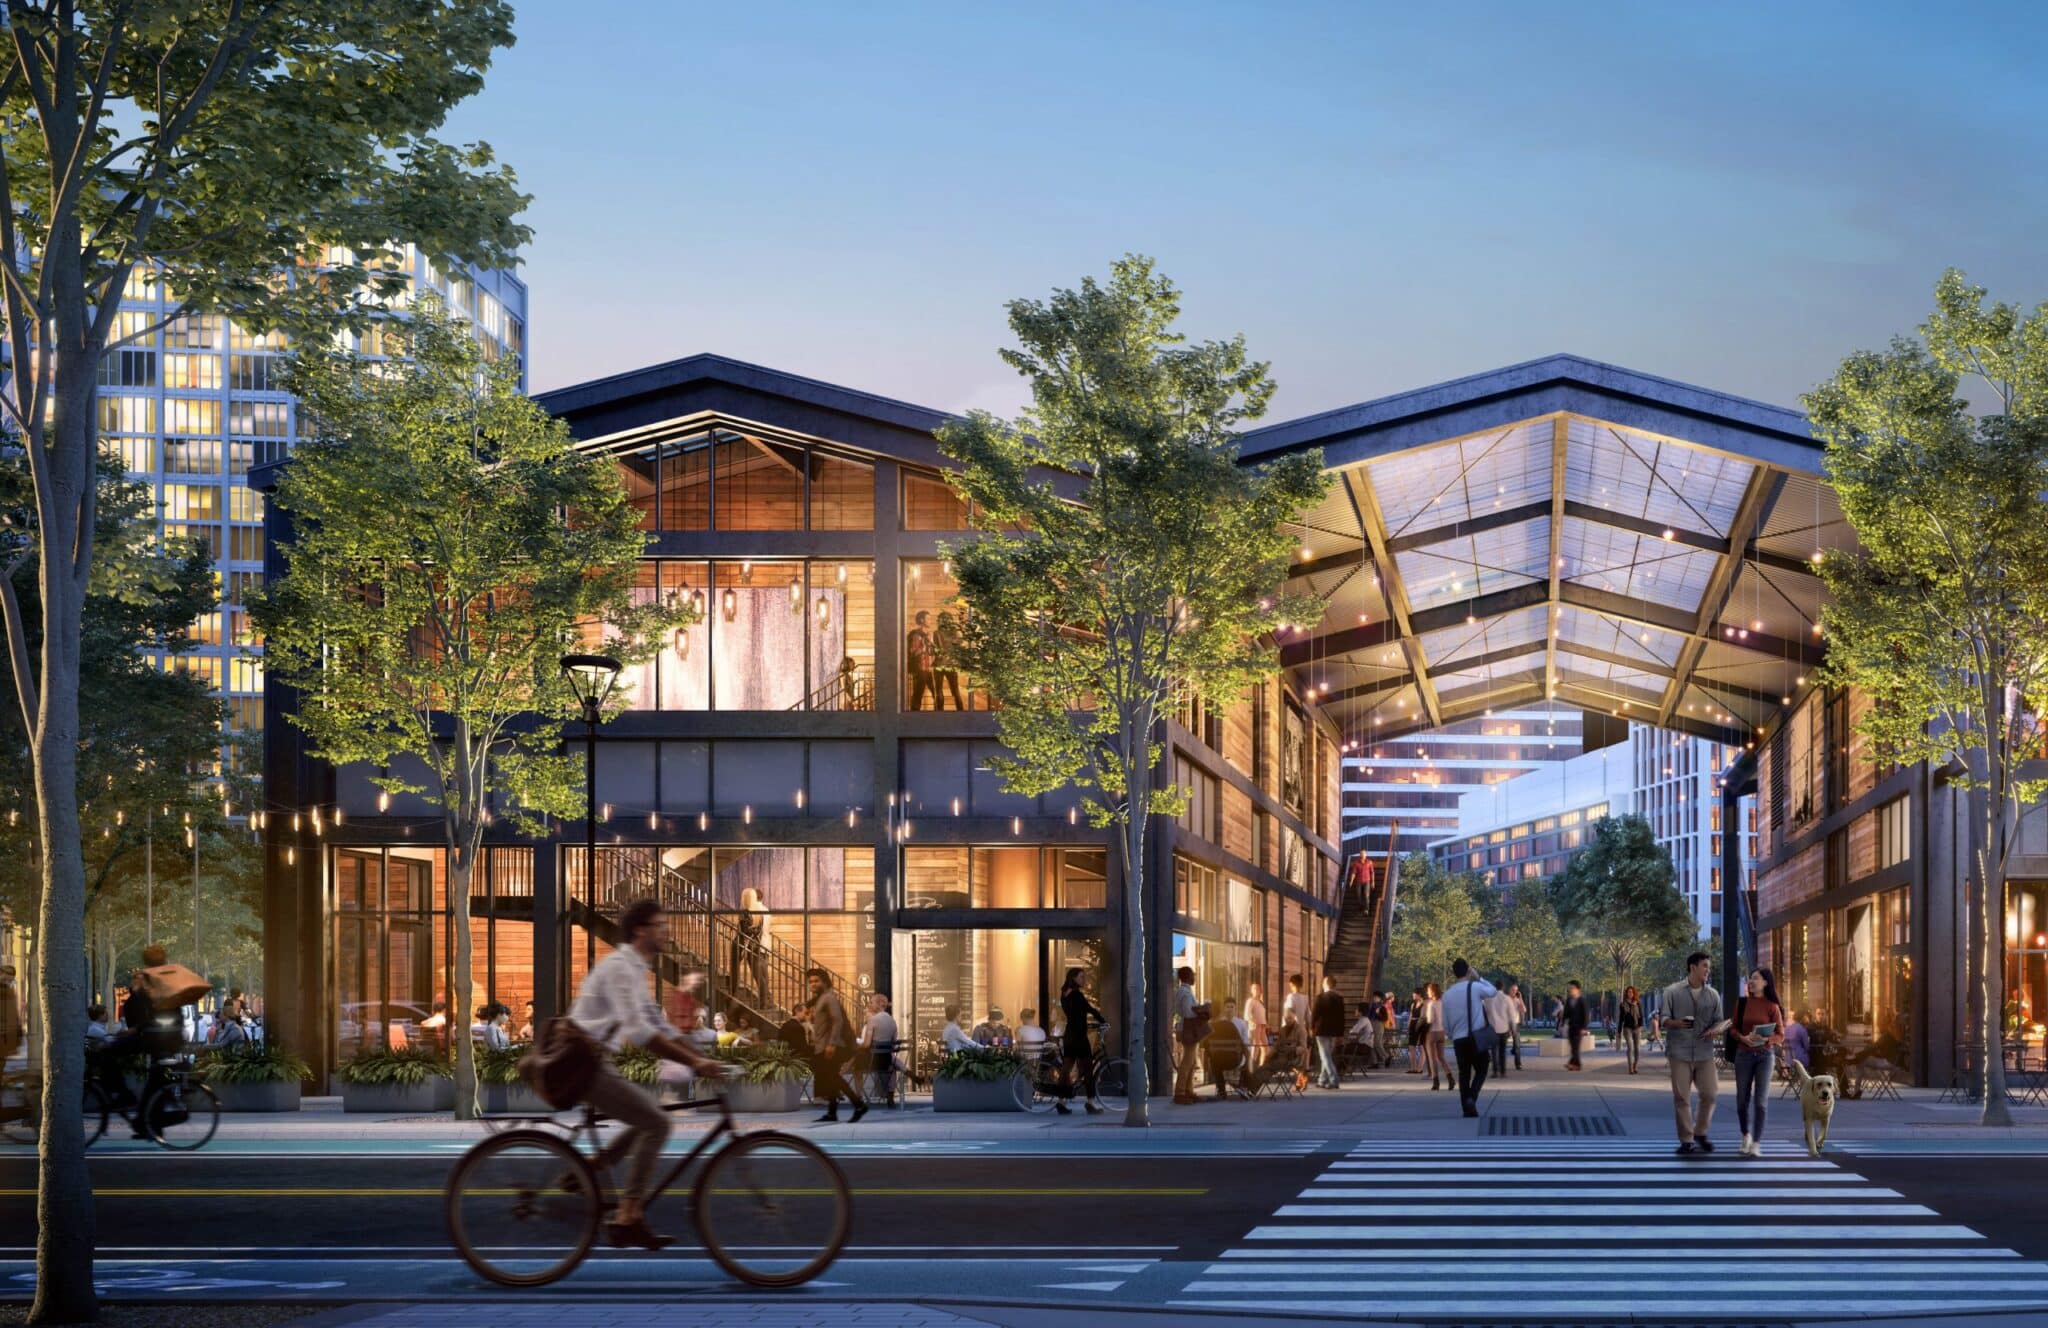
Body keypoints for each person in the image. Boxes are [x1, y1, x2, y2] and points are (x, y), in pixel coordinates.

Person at [568, 897, 723, 1247]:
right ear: (641, 930)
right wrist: (696, 1063)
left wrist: (699, 1056)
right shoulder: (622, 967)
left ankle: (588, 1170)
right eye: (661, 925)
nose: (667, 931)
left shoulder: (635, 968)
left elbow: (660, 1027)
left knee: (646, 1117)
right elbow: (641, 1033)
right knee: (657, 1122)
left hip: (594, 1058)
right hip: (582, 1062)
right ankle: (628, 1214)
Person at [95, 944, 182, 1137]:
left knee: (106, 1052)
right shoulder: (165, 977)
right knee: (155, 1078)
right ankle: (148, 1124)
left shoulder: (152, 979)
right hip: (164, 1036)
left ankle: (124, 1096)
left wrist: (136, 991)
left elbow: (146, 1010)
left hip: (153, 1036)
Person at [1651, 951, 1726, 1155]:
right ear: (1692, 967)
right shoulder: (1672, 991)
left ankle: (1700, 1132)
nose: (1707, 971)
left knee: (1710, 1094)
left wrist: (1717, 1029)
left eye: (1708, 967)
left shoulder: (1713, 994)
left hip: (1704, 1052)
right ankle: (1687, 1140)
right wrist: (1676, 1023)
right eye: (1704, 966)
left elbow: (1719, 1019)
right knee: (1682, 1098)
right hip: (1679, 1052)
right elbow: (1664, 1018)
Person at [1731, 968, 1787, 1158]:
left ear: (1765, 983)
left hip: (1765, 1056)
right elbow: (1733, 1029)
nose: (1751, 982)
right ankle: (1745, 1135)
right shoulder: (1742, 1003)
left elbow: (1780, 1034)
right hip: (1743, 1055)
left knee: (1760, 1102)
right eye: (1750, 979)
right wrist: (1743, 1038)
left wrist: (1766, 1040)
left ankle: (1756, 1143)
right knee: (1741, 1100)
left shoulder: (1772, 1006)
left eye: (1756, 978)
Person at [805, 967, 867, 1124]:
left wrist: (831, 1044)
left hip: (830, 1046)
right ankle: (832, 1112)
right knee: (830, 1078)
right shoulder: (821, 999)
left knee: (833, 1077)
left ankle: (858, 1105)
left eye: (816, 981)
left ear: (825, 982)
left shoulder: (829, 998)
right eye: (810, 981)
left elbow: (837, 1020)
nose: (813, 984)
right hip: (822, 1046)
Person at [1440, 958, 1499, 1118]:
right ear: (1468, 971)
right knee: (1482, 1068)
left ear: (1453, 973)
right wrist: (1478, 977)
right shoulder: (1474, 987)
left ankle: (1467, 1108)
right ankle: (1472, 1098)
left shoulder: (1447, 995)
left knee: (1464, 1074)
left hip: (1459, 1039)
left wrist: (1452, 1035)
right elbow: (1493, 991)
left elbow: (1445, 1021)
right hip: (1476, 1037)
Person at [1058, 967, 1107, 1115]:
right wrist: (1103, 1021)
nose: (1083, 980)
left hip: (1069, 1035)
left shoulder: (1065, 993)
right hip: (1079, 1037)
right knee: (1088, 1069)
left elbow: (1075, 1014)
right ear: (1073, 978)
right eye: (1081, 977)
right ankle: (1091, 1102)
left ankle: (1061, 1102)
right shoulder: (1077, 995)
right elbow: (1089, 1009)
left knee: (1066, 1070)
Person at [859, 993, 899, 1108]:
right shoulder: (892, 1022)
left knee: (856, 1068)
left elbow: (866, 1044)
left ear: (880, 1004)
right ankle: (890, 1096)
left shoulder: (872, 1020)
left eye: (872, 1002)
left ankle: (859, 1097)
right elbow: (894, 1042)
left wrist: (858, 1045)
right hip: (887, 1061)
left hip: (873, 1062)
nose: (870, 1005)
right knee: (892, 1067)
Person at [732, 887, 771, 998]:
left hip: (748, 944)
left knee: (756, 974)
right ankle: (766, 999)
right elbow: (757, 931)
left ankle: (734, 991)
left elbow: (745, 932)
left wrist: (744, 947)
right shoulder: (763, 911)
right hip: (759, 944)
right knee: (762, 975)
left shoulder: (747, 912)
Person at [1171, 966, 1202, 1104]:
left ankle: (1189, 1090)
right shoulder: (1185, 992)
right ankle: (1180, 1092)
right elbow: (1188, 1013)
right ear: (1188, 977)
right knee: (1187, 1061)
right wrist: (1201, 1010)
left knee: (1192, 1061)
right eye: (1193, 975)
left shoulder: (1184, 991)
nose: (1194, 977)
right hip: (1188, 1030)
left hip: (1186, 1029)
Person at [1311, 975, 1348, 1090]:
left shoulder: (1320, 998)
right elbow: (1342, 1017)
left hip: (1321, 1030)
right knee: (1327, 1056)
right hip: (1334, 1032)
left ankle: (1334, 1079)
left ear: (1326, 984)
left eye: (1323, 982)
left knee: (1325, 1056)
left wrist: (1311, 1027)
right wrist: (1341, 1033)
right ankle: (1322, 1080)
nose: (1322, 984)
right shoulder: (1339, 998)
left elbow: (1314, 1015)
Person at [933, 611, 966, 710]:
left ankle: (939, 714)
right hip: (951, 664)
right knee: (955, 691)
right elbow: (959, 646)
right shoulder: (955, 633)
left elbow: (938, 648)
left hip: (939, 664)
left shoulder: (936, 633)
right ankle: (961, 713)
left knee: (939, 690)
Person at [905, 610, 937, 711]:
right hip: (920, 670)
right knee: (918, 695)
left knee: (937, 694)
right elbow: (913, 652)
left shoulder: (930, 635)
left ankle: (939, 717)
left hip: (930, 669)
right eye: (928, 618)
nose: (930, 621)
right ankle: (914, 717)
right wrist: (924, 647)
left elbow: (932, 652)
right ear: (922, 620)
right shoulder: (916, 635)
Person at [1484, 982, 1516, 1075]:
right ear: (1503, 987)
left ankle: (1495, 1071)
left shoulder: (1488, 999)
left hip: (1493, 1027)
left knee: (1494, 1050)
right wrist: (1513, 1028)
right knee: (1503, 1050)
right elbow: (1512, 1015)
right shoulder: (1507, 999)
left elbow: (1485, 1012)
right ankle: (1503, 1070)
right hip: (1504, 1028)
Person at [1422, 981, 1448, 1090]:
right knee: (1441, 1057)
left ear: (1432, 992)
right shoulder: (1443, 1003)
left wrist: (1425, 1020)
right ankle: (1450, 1077)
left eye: (1428, 990)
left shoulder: (1431, 1004)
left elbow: (1430, 1020)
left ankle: (1435, 1082)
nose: (1427, 992)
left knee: (1432, 1059)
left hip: (1432, 1032)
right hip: (1442, 1032)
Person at [1560, 981, 1590, 1071]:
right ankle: (1574, 1064)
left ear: (1578, 990)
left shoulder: (1582, 1001)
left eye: (1572, 988)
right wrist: (1562, 1023)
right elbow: (1565, 1013)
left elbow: (1586, 1015)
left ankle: (1576, 1064)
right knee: (1573, 1046)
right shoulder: (1569, 1000)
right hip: (1571, 1026)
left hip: (1579, 1027)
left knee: (1575, 1046)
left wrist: (1584, 1028)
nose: (1570, 990)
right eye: (1570, 988)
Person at [1616, 985, 1645, 1074]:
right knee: (1630, 1047)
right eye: (1628, 992)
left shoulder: (1638, 1003)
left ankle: (1635, 1065)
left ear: (1634, 993)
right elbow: (1621, 1019)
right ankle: (1630, 1069)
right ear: (1626, 993)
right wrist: (1619, 1031)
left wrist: (1641, 1026)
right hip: (1627, 1028)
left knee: (1637, 1049)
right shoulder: (1622, 1004)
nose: (1630, 993)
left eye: (1631, 992)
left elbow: (1641, 1016)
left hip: (1637, 1028)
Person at [1281, 975, 1311, 1054]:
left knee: (1290, 1053)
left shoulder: (1291, 997)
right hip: (1302, 1029)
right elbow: (1308, 1016)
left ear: (1291, 984)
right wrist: (1310, 1028)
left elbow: (1288, 1014)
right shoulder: (1305, 998)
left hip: (1292, 1030)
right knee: (1302, 1051)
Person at [1244, 982, 1270, 1069]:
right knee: (1255, 1048)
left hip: (1262, 1027)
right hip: (1255, 1027)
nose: (1257, 990)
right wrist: (1254, 1022)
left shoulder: (1260, 1002)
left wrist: (1266, 1024)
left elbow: (1262, 1015)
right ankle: (1251, 1068)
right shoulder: (1250, 1001)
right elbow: (1247, 1015)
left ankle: (1261, 1067)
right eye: (1254, 989)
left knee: (1265, 1047)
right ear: (1251, 990)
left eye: (1258, 988)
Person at [1405, 986, 1428, 1073]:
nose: (1413, 995)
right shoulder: (1413, 1004)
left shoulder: (1424, 1004)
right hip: (1413, 1025)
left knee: (1421, 1047)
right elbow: (1411, 1015)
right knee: (1411, 1047)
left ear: (1419, 994)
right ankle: (1413, 1068)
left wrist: (1417, 1026)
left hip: (1421, 1025)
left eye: (1414, 993)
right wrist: (1409, 1025)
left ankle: (1420, 1068)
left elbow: (1422, 1017)